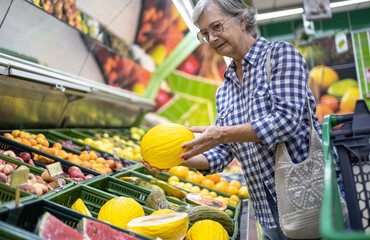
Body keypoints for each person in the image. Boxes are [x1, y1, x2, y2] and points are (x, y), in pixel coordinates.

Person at [141, 0, 335, 239]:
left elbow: (286, 121)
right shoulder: (224, 91)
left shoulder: (280, 56)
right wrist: (174, 157)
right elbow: (221, 155)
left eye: (216, 27)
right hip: (266, 212)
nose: (211, 38)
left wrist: (221, 133)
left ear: (242, 19)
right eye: (204, 34)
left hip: (308, 197)